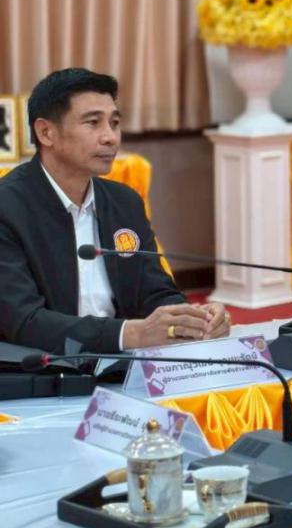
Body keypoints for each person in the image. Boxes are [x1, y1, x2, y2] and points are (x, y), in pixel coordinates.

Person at [0, 68, 230, 354]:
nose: (110, 137)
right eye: (93, 123)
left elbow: (154, 291)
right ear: (46, 132)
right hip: (41, 367)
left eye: (115, 122)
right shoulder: (7, 207)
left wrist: (191, 319)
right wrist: (129, 334)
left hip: (125, 361)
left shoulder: (124, 202)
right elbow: (24, 322)